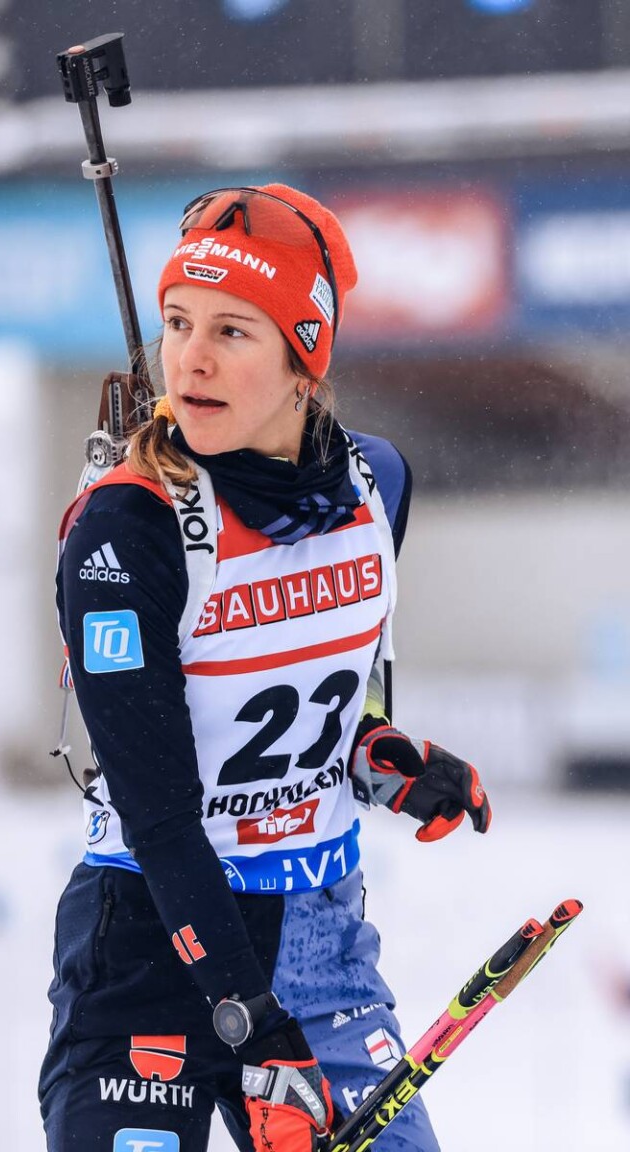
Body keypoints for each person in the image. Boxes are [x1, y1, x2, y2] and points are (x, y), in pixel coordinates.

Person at [39, 184, 492, 1152]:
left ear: (304, 358)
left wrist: (375, 752)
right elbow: (160, 812)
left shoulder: (376, 483)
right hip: (153, 945)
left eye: (232, 331)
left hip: (318, 946)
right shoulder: (130, 529)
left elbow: (320, 683)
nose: (190, 359)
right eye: (177, 322)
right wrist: (252, 1022)